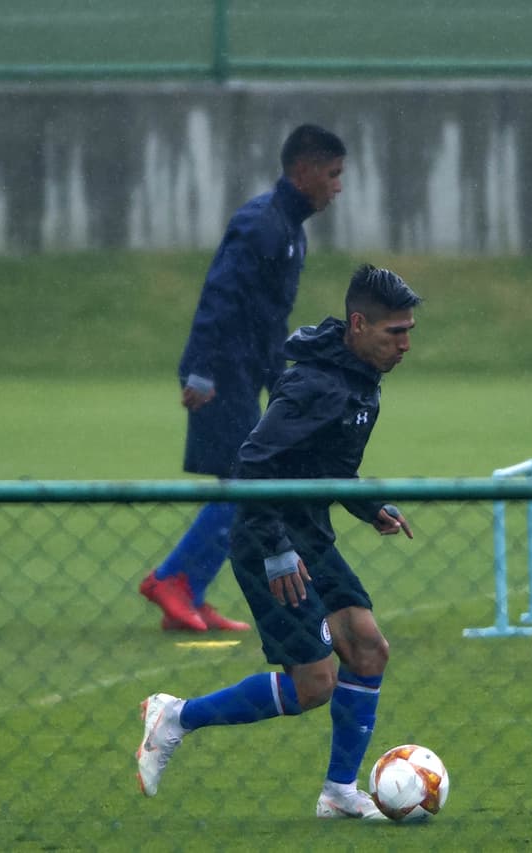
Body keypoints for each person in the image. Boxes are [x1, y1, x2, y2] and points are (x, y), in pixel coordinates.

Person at [136, 264, 421, 818]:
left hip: (308, 535)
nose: (406, 344)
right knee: (314, 684)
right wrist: (276, 548)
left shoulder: (363, 383)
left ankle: (340, 794)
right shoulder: (315, 385)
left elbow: (332, 470)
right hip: (269, 542)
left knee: (367, 648)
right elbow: (251, 464)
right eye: (396, 333)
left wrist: (370, 508)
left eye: (409, 331)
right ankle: (174, 717)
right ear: (359, 325)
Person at [139, 124, 347, 633]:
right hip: (221, 372)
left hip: (244, 371)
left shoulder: (289, 229)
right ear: (302, 171)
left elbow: (269, 318)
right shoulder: (262, 224)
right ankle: (173, 580)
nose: (338, 186)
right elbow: (220, 296)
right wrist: (203, 371)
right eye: (332, 174)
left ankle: (187, 588)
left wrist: (282, 380)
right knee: (249, 484)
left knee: (249, 484)